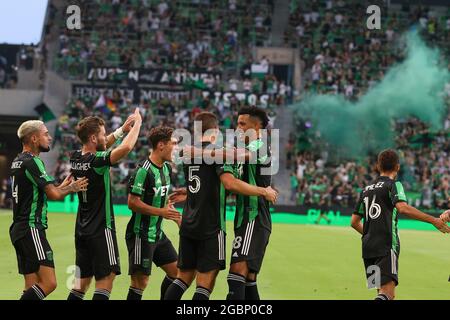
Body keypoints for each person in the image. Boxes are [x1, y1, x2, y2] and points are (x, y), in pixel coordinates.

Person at [164, 112, 277, 300]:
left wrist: (199, 153)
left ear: (257, 127)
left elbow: (236, 164)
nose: (237, 128)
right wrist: (191, 190)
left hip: (253, 217)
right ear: (215, 131)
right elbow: (228, 183)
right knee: (243, 278)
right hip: (228, 222)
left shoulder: (260, 144)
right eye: (238, 124)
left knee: (235, 275)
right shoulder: (228, 150)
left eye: (242, 124)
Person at [351, 149, 450, 300]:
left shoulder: (366, 190)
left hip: (368, 248)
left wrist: (370, 234)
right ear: (397, 167)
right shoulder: (393, 185)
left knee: (380, 292)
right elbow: (403, 208)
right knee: (387, 294)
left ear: (378, 166)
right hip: (386, 245)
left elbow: (354, 222)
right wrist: (434, 220)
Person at [67, 108, 142, 300]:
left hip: (82, 229)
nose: (104, 136)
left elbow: (104, 143)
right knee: (105, 280)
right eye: (101, 133)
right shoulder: (97, 161)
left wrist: (122, 129)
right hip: (101, 229)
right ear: (93, 138)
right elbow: (124, 149)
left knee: (79, 285)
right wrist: (138, 124)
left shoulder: (75, 157)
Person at [10, 120, 88, 300]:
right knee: (49, 283)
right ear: (34, 138)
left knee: (30, 285)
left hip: (19, 229)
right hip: (31, 228)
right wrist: (72, 188)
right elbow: (53, 195)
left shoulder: (18, 160)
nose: (50, 137)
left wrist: (61, 187)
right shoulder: (33, 162)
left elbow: (43, 193)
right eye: (46, 134)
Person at [125, 126, 181, 300]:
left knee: (177, 273)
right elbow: (132, 203)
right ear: (161, 145)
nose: (177, 148)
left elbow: (160, 202)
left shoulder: (166, 169)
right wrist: (161, 211)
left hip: (157, 234)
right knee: (140, 283)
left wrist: (173, 213)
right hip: (140, 234)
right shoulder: (143, 171)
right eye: (174, 143)